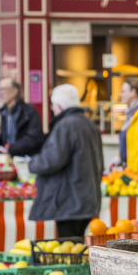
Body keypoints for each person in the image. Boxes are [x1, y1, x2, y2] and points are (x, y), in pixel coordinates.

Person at [27, 83, 105, 238]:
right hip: (87, 199)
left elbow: (52, 159)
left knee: (68, 247)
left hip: (69, 201)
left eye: (53, 105)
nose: (53, 109)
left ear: (59, 106)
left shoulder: (65, 125)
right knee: (76, 244)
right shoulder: (89, 123)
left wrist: (32, 163)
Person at [0, 78, 45, 156]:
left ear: (15, 91)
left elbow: (34, 138)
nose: (0, 93)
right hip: (9, 158)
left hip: (26, 159)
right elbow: (5, 138)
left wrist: (12, 149)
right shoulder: (3, 112)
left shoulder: (29, 111)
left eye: (4, 89)